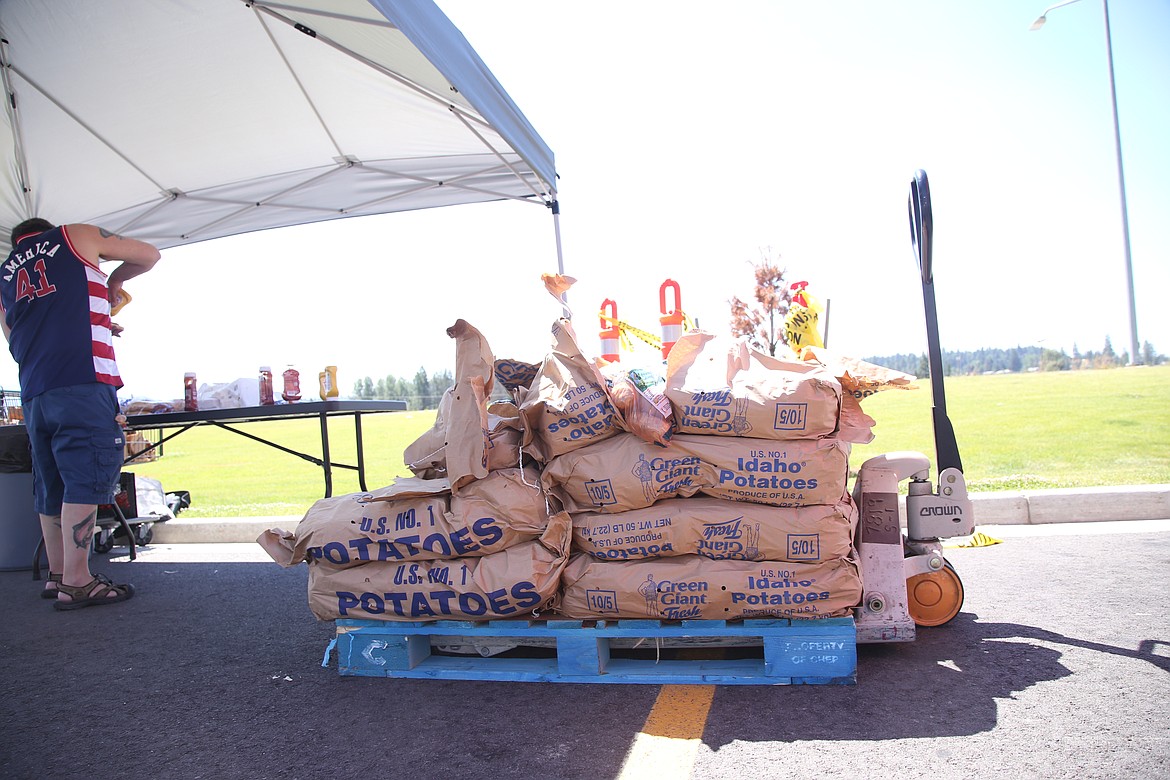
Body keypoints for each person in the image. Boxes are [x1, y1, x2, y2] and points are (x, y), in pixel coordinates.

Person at [0, 219, 160, 610]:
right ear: (47, 229)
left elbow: (14, 335)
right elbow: (148, 255)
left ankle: (59, 576)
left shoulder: (3, 273)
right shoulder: (75, 235)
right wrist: (115, 282)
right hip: (84, 380)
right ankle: (78, 580)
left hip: (36, 389)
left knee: (51, 481)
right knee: (86, 473)